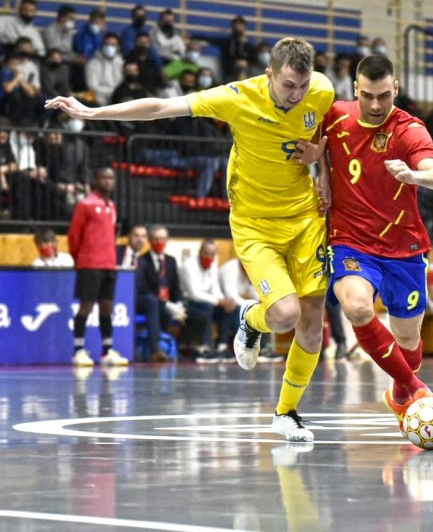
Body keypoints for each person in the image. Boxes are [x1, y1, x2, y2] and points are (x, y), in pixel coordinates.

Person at [46, 37, 333, 442]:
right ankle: (251, 319)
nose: (296, 95)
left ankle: (286, 412)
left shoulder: (321, 90)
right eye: (288, 85)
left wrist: (321, 166)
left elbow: (330, 133)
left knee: (313, 316)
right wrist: (92, 112)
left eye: (302, 86)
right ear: (269, 74)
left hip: (305, 217)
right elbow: (161, 108)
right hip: (255, 223)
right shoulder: (236, 97)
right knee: (285, 315)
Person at [320, 55, 433, 433]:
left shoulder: (408, 129)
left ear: (395, 89)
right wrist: (320, 172)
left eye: (383, 96)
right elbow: (312, 145)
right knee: (357, 307)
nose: (376, 105)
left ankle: (399, 395)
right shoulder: (334, 115)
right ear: (354, 90)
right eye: (367, 96)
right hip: (351, 242)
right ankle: (417, 391)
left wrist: (413, 174)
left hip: (404, 248)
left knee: (408, 337)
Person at [68, 167, 128, 367]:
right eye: (104, 177)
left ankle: (107, 350)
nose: (108, 181)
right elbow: (74, 236)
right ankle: (78, 350)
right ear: (96, 180)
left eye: (111, 178)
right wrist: (81, 258)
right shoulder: (85, 204)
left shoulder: (111, 206)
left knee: (107, 307)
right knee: (86, 305)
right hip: (90, 263)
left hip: (109, 264)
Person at [135, 225, 189, 363]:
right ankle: (156, 349)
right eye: (156, 239)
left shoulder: (171, 260)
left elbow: (176, 286)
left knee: (197, 313)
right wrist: (166, 304)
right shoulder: (142, 260)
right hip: (152, 302)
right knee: (157, 307)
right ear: (151, 240)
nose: (160, 242)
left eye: (163, 239)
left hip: (170, 302)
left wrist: (179, 303)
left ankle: (183, 350)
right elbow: (143, 288)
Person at [179, 238, 238, 362]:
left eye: (212, 254)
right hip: (187, 303)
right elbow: (194, 294)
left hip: (207, 302)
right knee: (207, 307)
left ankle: (221, 347)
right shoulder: (188, 266)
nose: (208, 256)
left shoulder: (213, 266)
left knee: (229, 309)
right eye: (206, 253)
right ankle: (203, 348)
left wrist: (225, 301)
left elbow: (215, 289)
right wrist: (218, 301)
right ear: (200, 252)